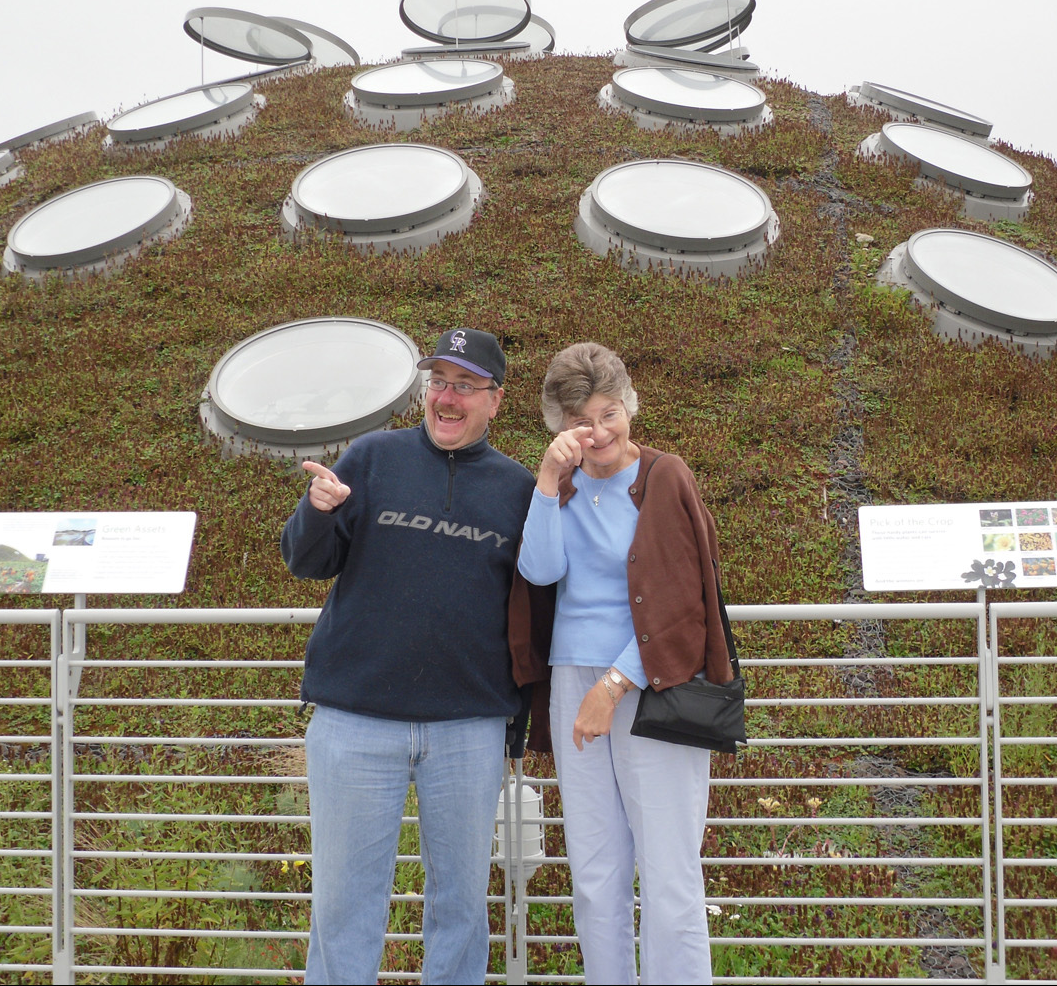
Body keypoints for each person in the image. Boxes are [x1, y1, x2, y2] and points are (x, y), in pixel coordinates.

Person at [280, 327, 536, 986]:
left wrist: (517, 723)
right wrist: (317, 510)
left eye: (464, 386)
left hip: (468, 730)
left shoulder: (520, 490)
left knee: (460, 911)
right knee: (343, 907)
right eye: (438, 382)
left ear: (495, 401)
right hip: (354, 723)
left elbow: (533, 615)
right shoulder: (370, 458)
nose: (446, 397)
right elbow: (305, 561)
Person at [509, 342, 731, 985]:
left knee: (669, 874)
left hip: (649, 684)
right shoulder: (562, 486)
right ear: (559, 424)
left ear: (630, 406)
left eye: (610, 413)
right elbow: (540, 571)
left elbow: (688, 598)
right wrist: (547, 485)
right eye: (582, 418)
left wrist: (613, 684)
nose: (599, 431)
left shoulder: (664, 477)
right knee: (595, 873)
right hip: (572, 684)